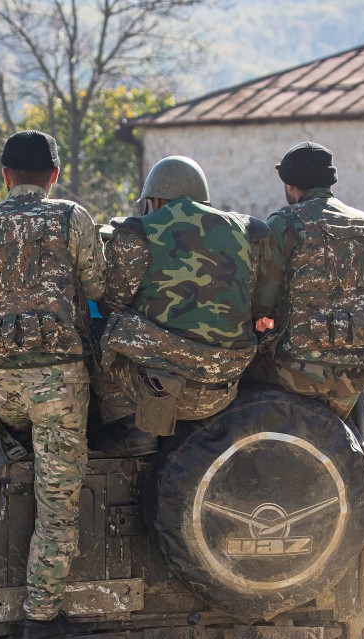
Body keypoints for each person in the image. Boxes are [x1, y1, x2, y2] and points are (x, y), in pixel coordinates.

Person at [0, 129, 104, 639]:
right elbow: (99, 287)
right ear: (54, 177)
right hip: (57, 389)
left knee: (24, 475)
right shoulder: (69, 218)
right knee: (57, 501)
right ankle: (42, 616)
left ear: (5, 175)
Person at [93, 155, 267, 449]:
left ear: (156, 200)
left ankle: (134, 434)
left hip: (159, 388)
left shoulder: (136, 234)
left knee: (104, 333)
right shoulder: (244, 233)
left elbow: (113, 303)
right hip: (224, 385)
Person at [250, 141, 364, 418]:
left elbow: (261, 302)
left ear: (290, 185)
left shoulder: (284, 222)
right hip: (356, 377)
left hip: (295, 371)